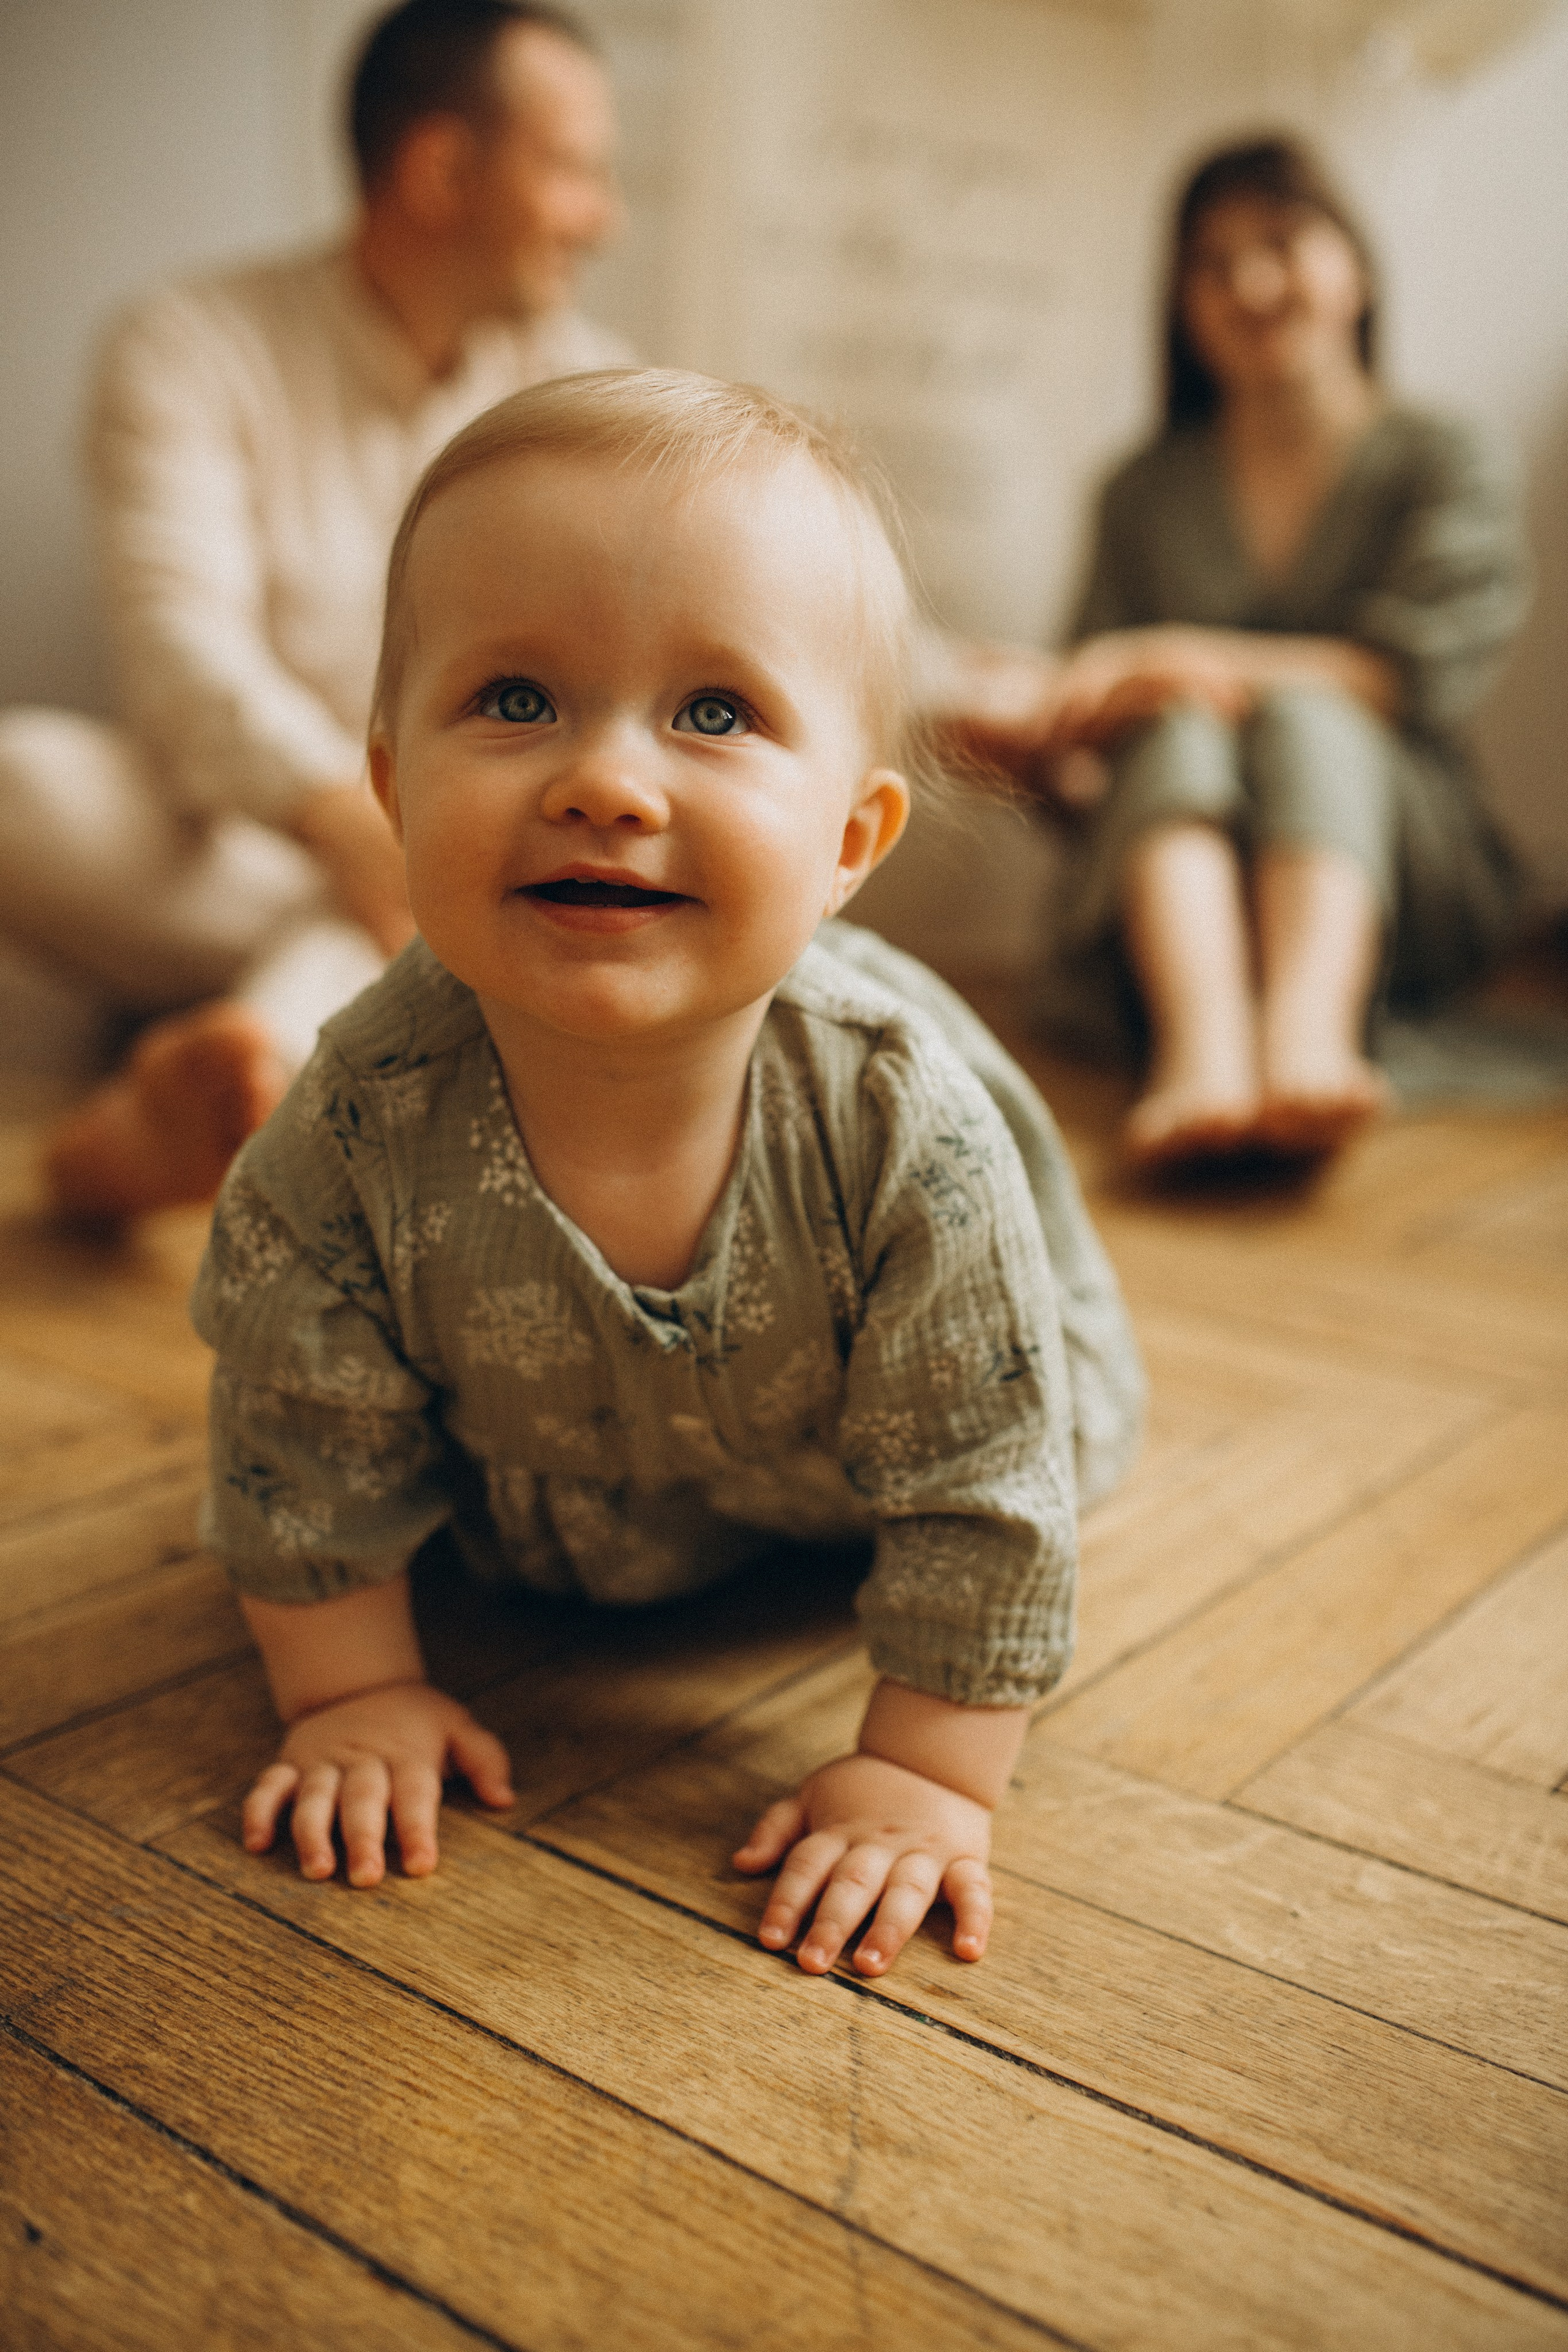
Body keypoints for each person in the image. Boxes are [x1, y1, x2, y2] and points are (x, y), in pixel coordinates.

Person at [193, 369, 1144, 1979]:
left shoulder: (898, 1124)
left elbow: (984, 1474)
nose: (604, 784)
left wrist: (927, 1772)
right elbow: (296, 1437)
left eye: (713, 714)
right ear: (392, 791)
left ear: (849, 844)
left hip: (850, 1479)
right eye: (514, 700)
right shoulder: (354, 1127)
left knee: (1024, 1443)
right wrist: (350, 1690)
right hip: (535, 1497)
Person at [0, 0, 627, 1219]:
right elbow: (181, 657)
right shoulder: (189, 343)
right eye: (573, 171)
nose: (601, 218)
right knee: (19, 782)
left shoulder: (586, 389)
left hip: (459, 850)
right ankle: (291, 1045)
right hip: (245, 841)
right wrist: (349, 822)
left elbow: (743, 600)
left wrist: (979, 689)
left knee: (463, 888)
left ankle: (226, 1080)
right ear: (440, 170)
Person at [967, 137, 1529, 1169]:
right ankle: (1205, 1048)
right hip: (1174, 885)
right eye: (1213, 263)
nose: (1252, 285)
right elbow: (1094, 763)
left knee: (1302, 709)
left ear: (1357, 268)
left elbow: (1403, 677)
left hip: (1411, 863)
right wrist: (1031, 740)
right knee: (1175, 720)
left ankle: (1310, 1034)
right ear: (1181, 304)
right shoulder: (1140, 489)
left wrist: (1176, 655)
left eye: (1282, 242)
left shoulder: (1444, 456)